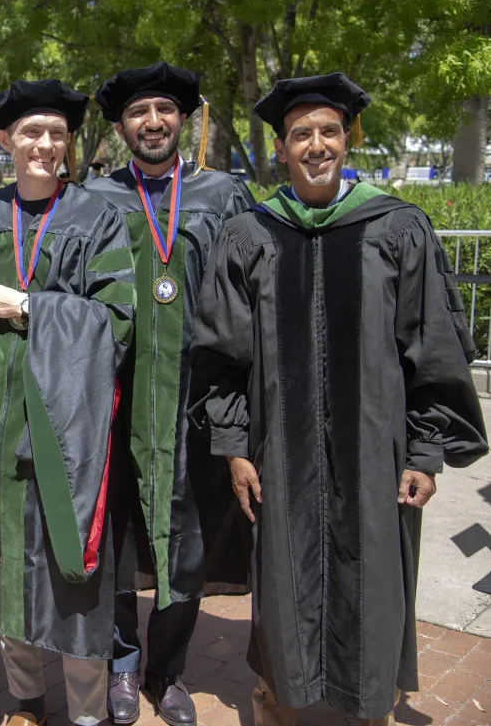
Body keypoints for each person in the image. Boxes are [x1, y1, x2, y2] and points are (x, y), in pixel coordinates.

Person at [189, 72, 489, 726]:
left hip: (376, 448)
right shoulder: (251, 234)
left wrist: (426, 447)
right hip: (281, 448)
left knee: (375, 573)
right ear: (283, 147)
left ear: (348, 139)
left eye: (329, 130)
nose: (317, 144)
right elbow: (220, 354)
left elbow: (432, 344)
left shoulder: (399, 226)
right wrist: (235, 446)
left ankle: (370, 699)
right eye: (302, 133)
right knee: (282, 573)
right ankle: (280, 690)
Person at [0, 79, 135, 726]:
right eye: (31, 132)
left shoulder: (95, 216)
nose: (45, 144)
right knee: (10, 568)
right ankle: (26, 700)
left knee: (71, 568)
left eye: (57, 133)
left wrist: (28, 306)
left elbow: (117, 318)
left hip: (67, 428)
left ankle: (87, 709)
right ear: (5, 140)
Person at [86, 62, 255, 726]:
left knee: (186, 536)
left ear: (183, 118)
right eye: (138, 112)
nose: (152, 122)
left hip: (194, 400)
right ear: (122, 125)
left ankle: (169, 668)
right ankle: (123, 663)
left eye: (163, 109)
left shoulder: (223, 195)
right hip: (115, 399)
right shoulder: (96, 198)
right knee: (120, 534)